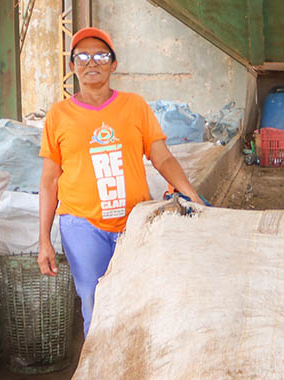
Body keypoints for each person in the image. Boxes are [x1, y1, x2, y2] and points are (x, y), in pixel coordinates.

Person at [37, 27, 203, 336]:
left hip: (134, 223)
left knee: (139, 299)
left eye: (101, 55)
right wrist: (44, 240)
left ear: (114, 64)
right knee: (95, 301)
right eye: (82, 56)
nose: (92, 63)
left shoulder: (134, 106)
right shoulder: (58, 116)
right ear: (72, 66)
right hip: (82, 224)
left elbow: (162, 158)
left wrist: (191, 193)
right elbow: (49, 182)